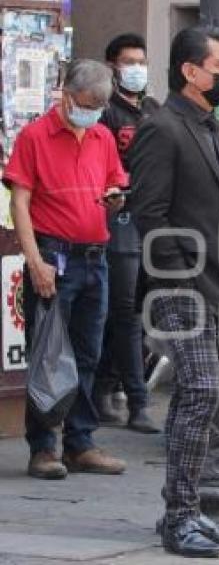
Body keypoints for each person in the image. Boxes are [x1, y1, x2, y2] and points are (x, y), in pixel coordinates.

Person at [129, 27, 219, 558]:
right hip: (182, 289)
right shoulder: (163, 127)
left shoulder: (207, 125)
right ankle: (180, 516)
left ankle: (187, 511)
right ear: (190, 70)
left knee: (194, 396)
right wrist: (180, 280)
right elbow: (149, 213)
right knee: (202, 391)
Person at [4, 59, 129, 481]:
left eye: (101, 104)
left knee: (89, 351)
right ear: (68, 94)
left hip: (95, 254)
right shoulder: (35, 135)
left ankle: (81, 442)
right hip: (53, 253)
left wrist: (116, 199)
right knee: (47, 354)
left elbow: (114, 185)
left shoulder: (102, 136)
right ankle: (43, 447)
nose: (93, 111)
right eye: (89, 103)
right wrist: (34, 260)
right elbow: (19, 201)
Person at [94, 32, 160, 433]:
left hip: (152, 222)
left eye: (141, 61)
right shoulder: (105, 114)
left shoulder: (152, 110)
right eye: (128, 62)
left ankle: (107, 385)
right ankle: (136, 401)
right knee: (125, 312)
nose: (136, 69)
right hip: (119, 221)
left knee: (135, 313)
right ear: (113, 66)